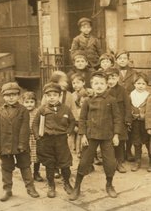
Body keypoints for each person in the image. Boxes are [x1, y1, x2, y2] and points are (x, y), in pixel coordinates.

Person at [69, 71, 122, 201]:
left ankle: (109, 185)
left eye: (102, 83)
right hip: (91, 136)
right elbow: (82, 119)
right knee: (84, 162)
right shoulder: (87, 101)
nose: (99, 86)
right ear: (91, 85)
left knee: (110, 163)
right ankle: (77, 187)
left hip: (107, 136)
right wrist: (83, 135)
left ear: (106, 85)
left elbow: (117, 118)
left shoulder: (112, 100)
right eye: (96, 83)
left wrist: (116, 135)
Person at [0, 82, 39, 202]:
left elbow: (25, 129)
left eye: (14, 94)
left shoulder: (23, 110)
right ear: (3, 97)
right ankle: (7, 189)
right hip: (5, 145)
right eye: (7, 95)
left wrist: (22, 144)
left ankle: (30, 188)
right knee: (6, 168)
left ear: (18, 96)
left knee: (25, 166)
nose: (11, 97)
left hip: (20, 145)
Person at [33, 82, 75, 198]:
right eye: (49, 95)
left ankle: (67, 183)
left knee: (65, 163)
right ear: (45, 97)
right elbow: (35, 124)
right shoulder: (42, 109)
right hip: (47, 140)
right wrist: (37, 136)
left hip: (61, 140)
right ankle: (51, 185)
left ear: (60, 96)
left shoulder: (65, 109)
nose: (52, 97)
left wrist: (68, 132)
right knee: (49, 164)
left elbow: (72, 121)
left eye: (55, 95)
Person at [42, 70, 77, 178]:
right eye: (63, 82)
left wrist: (74, 124)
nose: (66, 84)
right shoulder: (47, 96)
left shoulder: (69, 96)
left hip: (65, 128)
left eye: (66, 82)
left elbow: (73, 111)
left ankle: (64, 168)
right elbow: (43, 111)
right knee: (53, 150)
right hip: (52, 128)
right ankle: (55, 168)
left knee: (65, 150)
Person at [106, 67, 132, 173]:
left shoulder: (122, 90)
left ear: (118, 78)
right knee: (108, 142)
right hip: (107, 121)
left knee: (120, 143)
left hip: (120, 121)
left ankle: (119, 162)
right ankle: (110, 162)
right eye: (108, 78)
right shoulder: (103, 90)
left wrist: (127, 120)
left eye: (113, 78)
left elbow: (127, 106)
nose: (111, 81)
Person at [129, 72, 151, 172]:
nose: (140, 86)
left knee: (148, 142)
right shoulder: (131, 95)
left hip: (146, 123)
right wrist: (132, 115)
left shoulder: (149, 96)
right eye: (138, 83)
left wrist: (143, 115)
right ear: (134, 84)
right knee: (137, 142)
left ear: (147, 85)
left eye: (143, 84)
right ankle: (137, 161)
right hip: (135, 123)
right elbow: (129, 108)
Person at [115, 50, 137, 162]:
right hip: (118, 104)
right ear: (116, 60)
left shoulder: (134, 73)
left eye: (124, 58)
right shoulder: (114, 72)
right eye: (120, 58)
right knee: (120, 127)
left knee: (130, 128)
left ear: (128, 60)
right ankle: (120, 151)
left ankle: (128, 150)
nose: (122, 60)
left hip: (131, 103)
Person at [22, 91, 44, 182]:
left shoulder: (37, 112)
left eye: (31, 102)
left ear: (35, 102)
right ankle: (28, 174)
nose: (29, 104)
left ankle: (36, 172)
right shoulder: (22, 112)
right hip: (25, 138)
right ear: (23, 103)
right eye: (27, 102)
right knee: (26, 156)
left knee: (36, 156)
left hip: (35, 137)